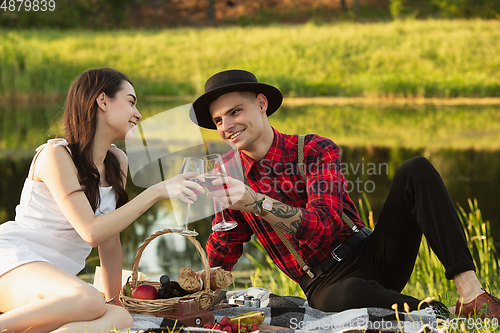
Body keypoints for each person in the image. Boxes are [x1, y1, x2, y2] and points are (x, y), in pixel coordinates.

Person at [189, 69, 500, 318]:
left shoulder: (313, 149)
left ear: (261, 103)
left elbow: (324, 226)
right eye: (218, 120)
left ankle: (472, 295)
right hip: (325, 283)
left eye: (234, 112)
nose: (226, 126)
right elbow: (225, 245)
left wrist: (253, 201)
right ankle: (439, 315)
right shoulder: (227, 174)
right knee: (348, 295)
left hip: (372, 251)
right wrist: (195, 291)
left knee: (415, 169)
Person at [0, 68, 204, 333]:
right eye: (131, 102)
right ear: (103, 101)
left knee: (120, 319)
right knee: (88, 299)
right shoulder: (56, 156)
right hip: (14, 263)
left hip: (58, 283)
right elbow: (91, 232)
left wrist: (115, 300)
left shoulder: (117, 162)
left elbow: (109, 243)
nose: (138, 114)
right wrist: (155, 192)